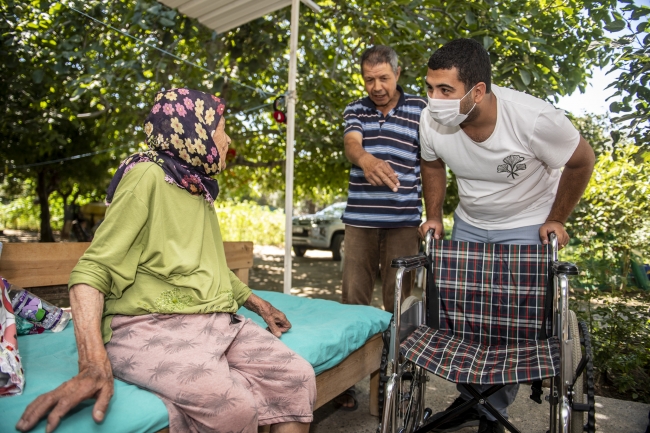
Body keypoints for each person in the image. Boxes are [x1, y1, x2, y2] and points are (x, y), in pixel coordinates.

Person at [15, 89, 316, 433]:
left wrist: (261, 305)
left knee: (297, 377)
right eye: (222, 128)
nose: (228, 138)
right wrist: (92, 363)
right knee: (233, 410)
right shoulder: (147, 175)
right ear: (196, 131)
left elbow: (211, 268)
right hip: (147, 323)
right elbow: (92, 269)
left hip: (211, 319)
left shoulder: (196, 186)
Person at [418, 39, 595, 433]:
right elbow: (431, 165)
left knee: (511, 322)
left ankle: (492, 410)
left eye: (445, 90)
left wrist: (557, 218)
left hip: (526, 221)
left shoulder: (533, 119)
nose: (434, 99)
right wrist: (434, 216)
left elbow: (582, 160)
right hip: (470, 219)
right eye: (429, 87)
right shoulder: (430, 120)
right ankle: (471, 398)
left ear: (477, 91)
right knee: (464, 316)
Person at [337, 45, 427, 410]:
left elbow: (432, 162)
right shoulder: (355, 109)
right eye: (369, 79)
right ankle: (344, 381)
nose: (376, 86)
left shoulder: (422, 109)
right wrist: (365, 158)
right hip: (359, 224)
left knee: (400, 304)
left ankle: (394, 377)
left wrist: (431, 215)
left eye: (383, 78)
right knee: (352, 304)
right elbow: (351, 142)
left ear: (398, 73)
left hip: (404, 225)